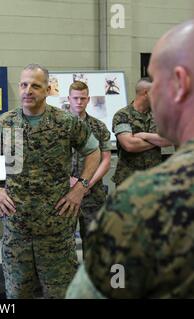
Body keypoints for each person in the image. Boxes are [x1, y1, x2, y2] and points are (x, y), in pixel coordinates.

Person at [66, 19, 194, 299]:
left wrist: (144, 136)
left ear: (181, 83)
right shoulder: (120, 116)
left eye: (156, 81)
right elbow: (129, 144)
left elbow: (112, 285)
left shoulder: (140, 204)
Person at [0, 64, 101, 299]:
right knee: (18, 294)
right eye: (24, 84)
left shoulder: (65, 123)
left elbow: (94, 152)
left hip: (57, 229)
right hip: (17, 230)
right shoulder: (5, 123)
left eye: (35, 85)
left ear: (47, 89)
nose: (28, 90)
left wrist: (80, 188)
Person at [67, 81, 112, 256]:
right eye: (75, 98)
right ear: (69, 99)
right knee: (62, 243)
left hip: (92, 194)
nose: (79, 102)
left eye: (83, 98)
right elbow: (47, 160)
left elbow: (106, 160)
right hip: (65, 193)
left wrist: (86, 184)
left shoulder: (99, 127)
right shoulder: (57, 126)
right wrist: (67, 180)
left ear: (88, 100)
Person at [111, 77, 172, 186]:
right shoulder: (122, 115)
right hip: (128, 182)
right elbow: (129, 145)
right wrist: (157, 140)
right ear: (146, 93)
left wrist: (144, 135)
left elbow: (169, 140)